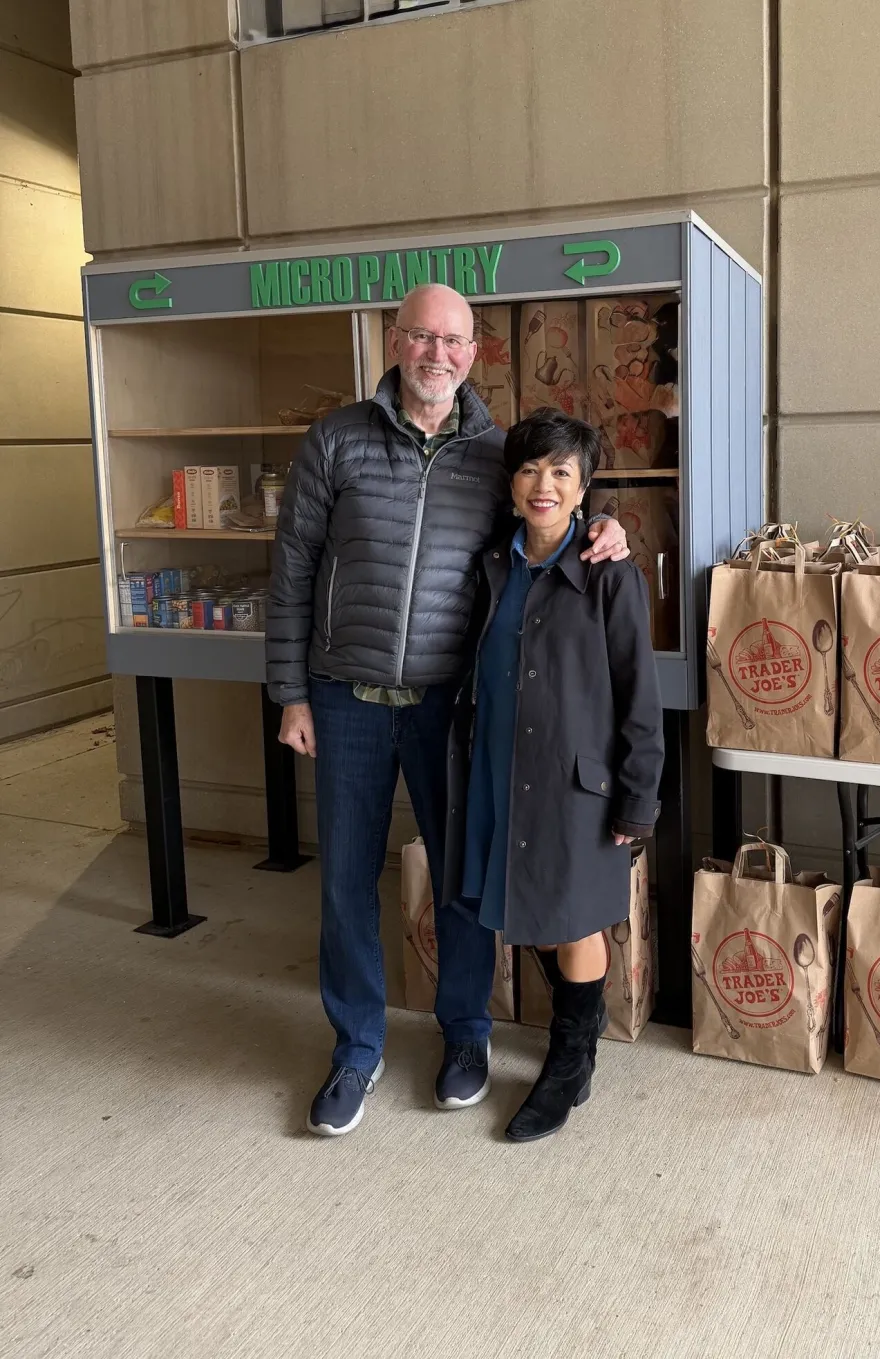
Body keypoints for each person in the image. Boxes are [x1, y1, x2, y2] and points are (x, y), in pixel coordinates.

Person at [266, 284, 629, 1137]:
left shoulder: (498, 454)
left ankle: (465, 1036)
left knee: (464, 882)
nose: (436, 354)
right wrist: (288, 692)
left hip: (449, 705)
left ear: (475, 354)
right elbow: (291, 572)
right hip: (343, 698)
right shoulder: (337, 440)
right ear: (396, 341)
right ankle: (356, 1045)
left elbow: (553, 516)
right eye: (421, 336)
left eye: (453, 340)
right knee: (347, 883)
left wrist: (610, 527)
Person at [443, 408, 664, 1142]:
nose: (544, 485)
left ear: (583, 488)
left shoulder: (610, 575)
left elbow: (639, 696)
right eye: (532, 469)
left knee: (571, 922)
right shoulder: (493, 564)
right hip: (500, 768)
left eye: (561, 472)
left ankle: (571, 1061)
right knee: (523, 908)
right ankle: (585, 1016)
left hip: (577, 781)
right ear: (512, 482)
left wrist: (638, 797)